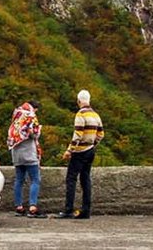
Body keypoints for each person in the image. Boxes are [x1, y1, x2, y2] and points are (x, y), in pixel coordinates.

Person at [58, 89, 103, 219]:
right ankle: (86, 210)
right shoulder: (96, 115)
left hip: (79, 152)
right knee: (85, 179)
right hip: (90, 151)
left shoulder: (80, 115)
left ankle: (68, 210)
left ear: (78, 101)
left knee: (71, 179)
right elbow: (101, 134)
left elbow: (77, 134)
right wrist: (92, 144)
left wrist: (69, 150)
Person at [6, 100, 43, 218]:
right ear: (35, 108)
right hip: (29, 154)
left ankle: (19, 207)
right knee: (35, 180)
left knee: (19, 180)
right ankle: (32, 207)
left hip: (16, 153)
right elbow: (34, 134)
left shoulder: (16, 114)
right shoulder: (30, 116)